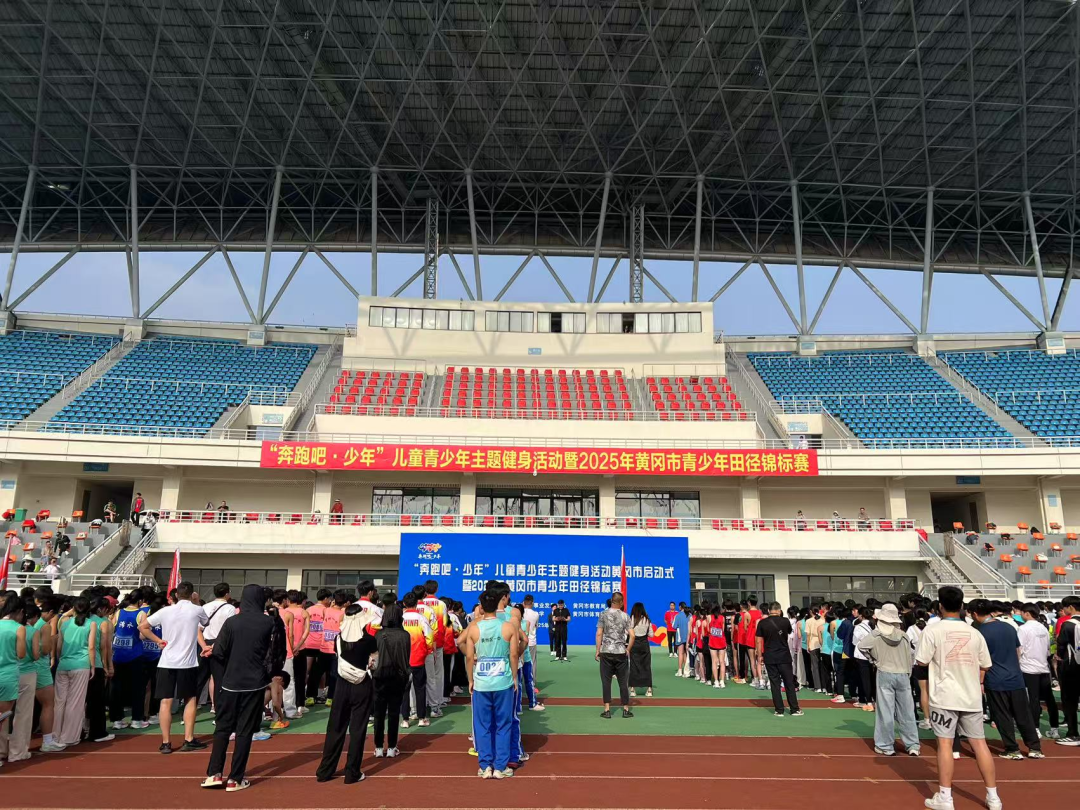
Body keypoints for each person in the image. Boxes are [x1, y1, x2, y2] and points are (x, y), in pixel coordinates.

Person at [915, 586, 1000, 810]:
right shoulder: (975, 632)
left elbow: (921, 661)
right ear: (962, 606)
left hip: (944, 695)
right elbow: (986, 665)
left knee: (944, 744)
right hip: (971, 696)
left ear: (939, 606)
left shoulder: (932, 631)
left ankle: (945, 797)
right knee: (979, 743)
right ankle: (993, 796)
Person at [202, 584, 275, 793]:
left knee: (222, 729)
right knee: (244, 731)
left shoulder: (232, 622)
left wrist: (213, 653)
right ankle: (235, 778)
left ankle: (214, 774)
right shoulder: (268, 622)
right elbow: (274, 653)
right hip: (255, 683)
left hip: (230, 683)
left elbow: (220, 652)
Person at [139, 580, 209, 754]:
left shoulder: (166, 611)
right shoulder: (196, 609)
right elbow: (205, 622)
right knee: (190, 699)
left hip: (167, 662)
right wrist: (196, 601)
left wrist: (158, 640)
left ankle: (166, 742)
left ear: (176, 594)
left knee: (166, 701)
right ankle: (188, 738)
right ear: (192, 594)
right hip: (188, 663)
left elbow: (143, 627)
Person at [971, 599, 1042, 760]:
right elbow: (1018, 651)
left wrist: (980, 681)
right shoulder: (1009, 627)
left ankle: (1012, 748)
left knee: (1002, 715)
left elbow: (981, 661)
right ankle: (1034, 747)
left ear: (974, 614)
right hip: (1015, 677)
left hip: (995, 679)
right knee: (1023, 714)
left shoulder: (980, 632)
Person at [316, 602, 379, 783]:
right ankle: (352, 772)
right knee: (358, 730)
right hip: (362, 685)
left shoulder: (339, 638)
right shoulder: (369, 640)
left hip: (342, 686)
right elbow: (374, 664)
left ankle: (325, 771)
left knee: (335, 728)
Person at [463, 588, 520, 779]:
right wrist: (514, 678)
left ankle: (485, 766)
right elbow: (514, 655)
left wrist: (470, 680)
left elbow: (469, 657)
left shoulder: (474, 628)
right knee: (504, 724)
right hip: (503, 682)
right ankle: (500, 767)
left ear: (481, 606)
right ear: (498, 604)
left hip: (481, 683)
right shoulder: (508, 627)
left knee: (483, 726)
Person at [856, 603, 919, 756]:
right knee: (907, 711)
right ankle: (912, 745)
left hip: (885, 672)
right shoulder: (903, 635)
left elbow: (861, 646)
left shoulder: (876, 634)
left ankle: (886, 745)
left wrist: (873, 660)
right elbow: (911, 655)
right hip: (903, 674)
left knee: (885, 711)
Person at [53, 596, 97, 748]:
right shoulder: (91, 624)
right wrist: (92, 666)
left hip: (63, 664)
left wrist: (61, 659)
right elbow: (91, 647)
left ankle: (56, 735)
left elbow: (59, 646)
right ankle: (69, 737)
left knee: (59, 702)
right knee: (75, 703)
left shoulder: (65, 623)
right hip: (81, 665)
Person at [372, 603, 411, 759]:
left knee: (379, 714)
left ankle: (378, 747)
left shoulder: (378, 635)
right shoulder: (405, 635)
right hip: (398, 677)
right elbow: (406, 657)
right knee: (394, 713)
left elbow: (374, 657)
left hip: (379, 676)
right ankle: (392, 747)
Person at [110, 591, 149, 729]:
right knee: (137, 688)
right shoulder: (141, 614)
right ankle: (136, 720)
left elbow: (112, 629)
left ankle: (117, 720)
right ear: (140, 601)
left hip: (118, 655)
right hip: (135, 655)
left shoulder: (119, 612)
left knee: (117, 689)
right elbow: (143, 635)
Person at [756, 602, 801, 717]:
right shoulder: (785, 621)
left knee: (774, 683)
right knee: (789, 682)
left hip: (770, 656)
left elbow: (758, 641)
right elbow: (789, 632)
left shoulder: (762, 623)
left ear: (769, 610)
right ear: (779, 610)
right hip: (784, 656)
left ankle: (779, 710)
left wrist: (760, 655)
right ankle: (794, 709)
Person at [198, 583, 236, 714]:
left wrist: (204, 646)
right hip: (220, 646)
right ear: (227, 593)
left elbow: (198, 629)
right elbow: (228, 631)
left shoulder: (205, 607)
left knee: (199, 680)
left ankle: (188, 713)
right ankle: (219, 712)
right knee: (220, 680)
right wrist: (214, 646)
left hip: (204, 645)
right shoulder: (230, 608)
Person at [595, 592, 633, 719]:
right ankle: (626, 709)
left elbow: (599, 633)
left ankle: (607, 709)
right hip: (620, 651)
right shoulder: (625, 616)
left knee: (606, 681)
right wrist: (628, 649)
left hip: (606, 651)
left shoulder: (603, 614)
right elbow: (632, 635)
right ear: (621, 602)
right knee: (623, 681)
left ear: (612, 601)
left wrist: (597, 650)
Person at [400, 591, 434, 728]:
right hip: (418, 657)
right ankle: (421, 718)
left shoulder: (400, 618)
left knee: (404, 690)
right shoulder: (421, 618)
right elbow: (429, 637)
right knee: (420, 688)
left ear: (404, 603)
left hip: (403, 658)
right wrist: (428, 650)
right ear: (416, 604)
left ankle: (405, 720)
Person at [1054, 594, 1080, 745]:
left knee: (1070, 701)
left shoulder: (1068, 624)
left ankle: (1073, 734)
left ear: (1070, 607)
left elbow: (1061, 645)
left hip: (1072, 667)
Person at [420, 579, 448, 718]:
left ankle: (423, 703)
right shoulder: (441, 604)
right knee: (437, 675)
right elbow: (445, 623)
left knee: (422, 675)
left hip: (420, 644)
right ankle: (437, 703)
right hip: (437, 643)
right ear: (436, 589)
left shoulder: (419, 604)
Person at [0, 594, 27, 735]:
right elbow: (21, 654)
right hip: (8, 675)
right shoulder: (19, 628)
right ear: (20, 611)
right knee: (2, 717)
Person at [628, 602, 653, 697]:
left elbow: (627, 633)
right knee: (646, 665)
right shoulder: (647, 619)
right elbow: (651, 634)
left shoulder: (631, 619)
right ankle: (649, 689)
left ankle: (632, 689)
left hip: (634, 643)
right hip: (644, 644)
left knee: (634, 666)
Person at [706, 604, 727, 688]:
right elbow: (723, 629)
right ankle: (722, 681)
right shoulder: (722, 618)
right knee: (722, 661)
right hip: (721, 641)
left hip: (713, 641)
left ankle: (716, 681)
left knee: (714, 661)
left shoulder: (709, 617)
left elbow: (708, 629)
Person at [673, 603, 690, 677]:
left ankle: (680, 670)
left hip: (680, 637)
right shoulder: (690, 615)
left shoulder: (677, 616)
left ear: (680, 607)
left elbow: (674, 626)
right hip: (688, 637)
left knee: (680, 653)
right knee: (686, 653)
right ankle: (686, 671)